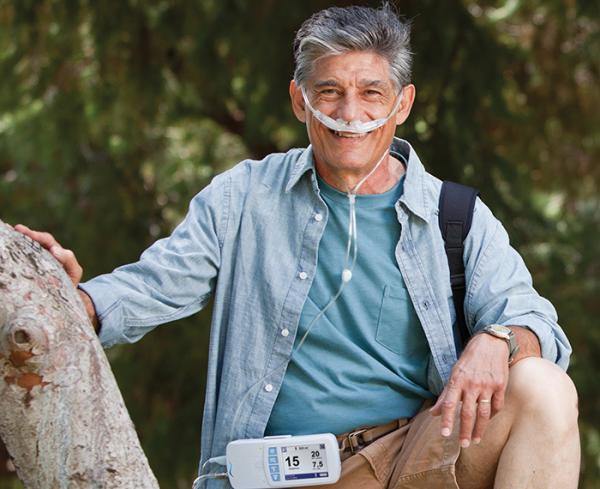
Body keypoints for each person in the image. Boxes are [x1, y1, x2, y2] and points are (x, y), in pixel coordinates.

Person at [16, 4, 580, 488]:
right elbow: (154, 284)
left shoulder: (454, 215)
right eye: (329, 92)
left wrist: (500, 337)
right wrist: (71, 302)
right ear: (298, 100)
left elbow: (539, 327)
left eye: (370, 93)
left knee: (544, 389)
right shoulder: (244, 198)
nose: (349, 114)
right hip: (277, 472)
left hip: (415, 460)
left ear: (401, 104)